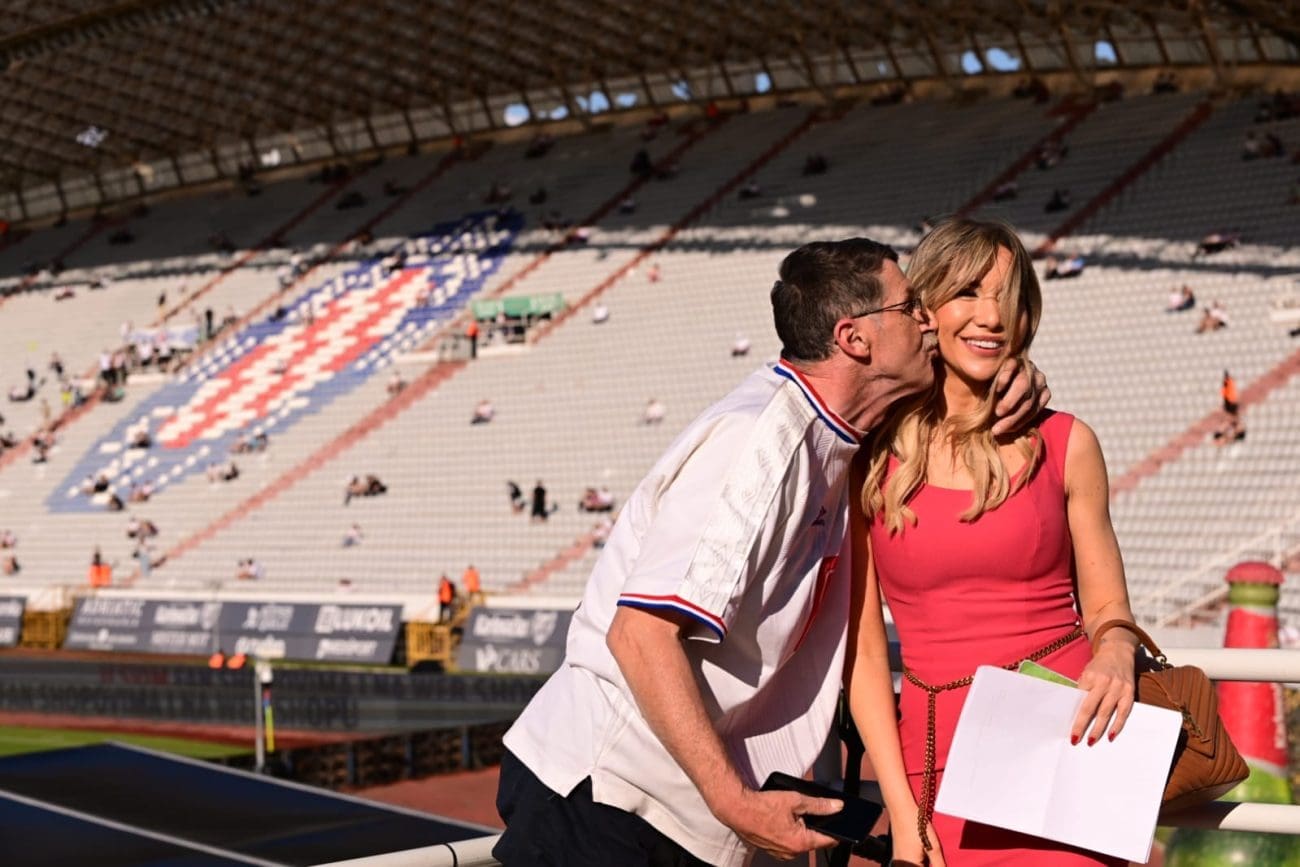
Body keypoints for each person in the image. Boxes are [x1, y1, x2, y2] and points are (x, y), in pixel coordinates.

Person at [495, 237, 1048, 867]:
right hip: (608, 799)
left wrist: (1013, 375)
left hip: (662, 809)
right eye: (909, 307)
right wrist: (736, 802)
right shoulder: (756, 444)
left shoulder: (834, 433)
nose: (926, 320)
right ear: (855, 338)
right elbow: (640, 636)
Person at [846, 218, 1136, 866]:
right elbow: (864, 655)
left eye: (1007, 296)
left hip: (1069, 748)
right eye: (968, 292)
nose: (990, 316)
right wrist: (901, 810)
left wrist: (1117, 650)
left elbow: (1109, 608)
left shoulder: (1069, 442)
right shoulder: (867, 457)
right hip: (934, 764)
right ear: (924, 308)